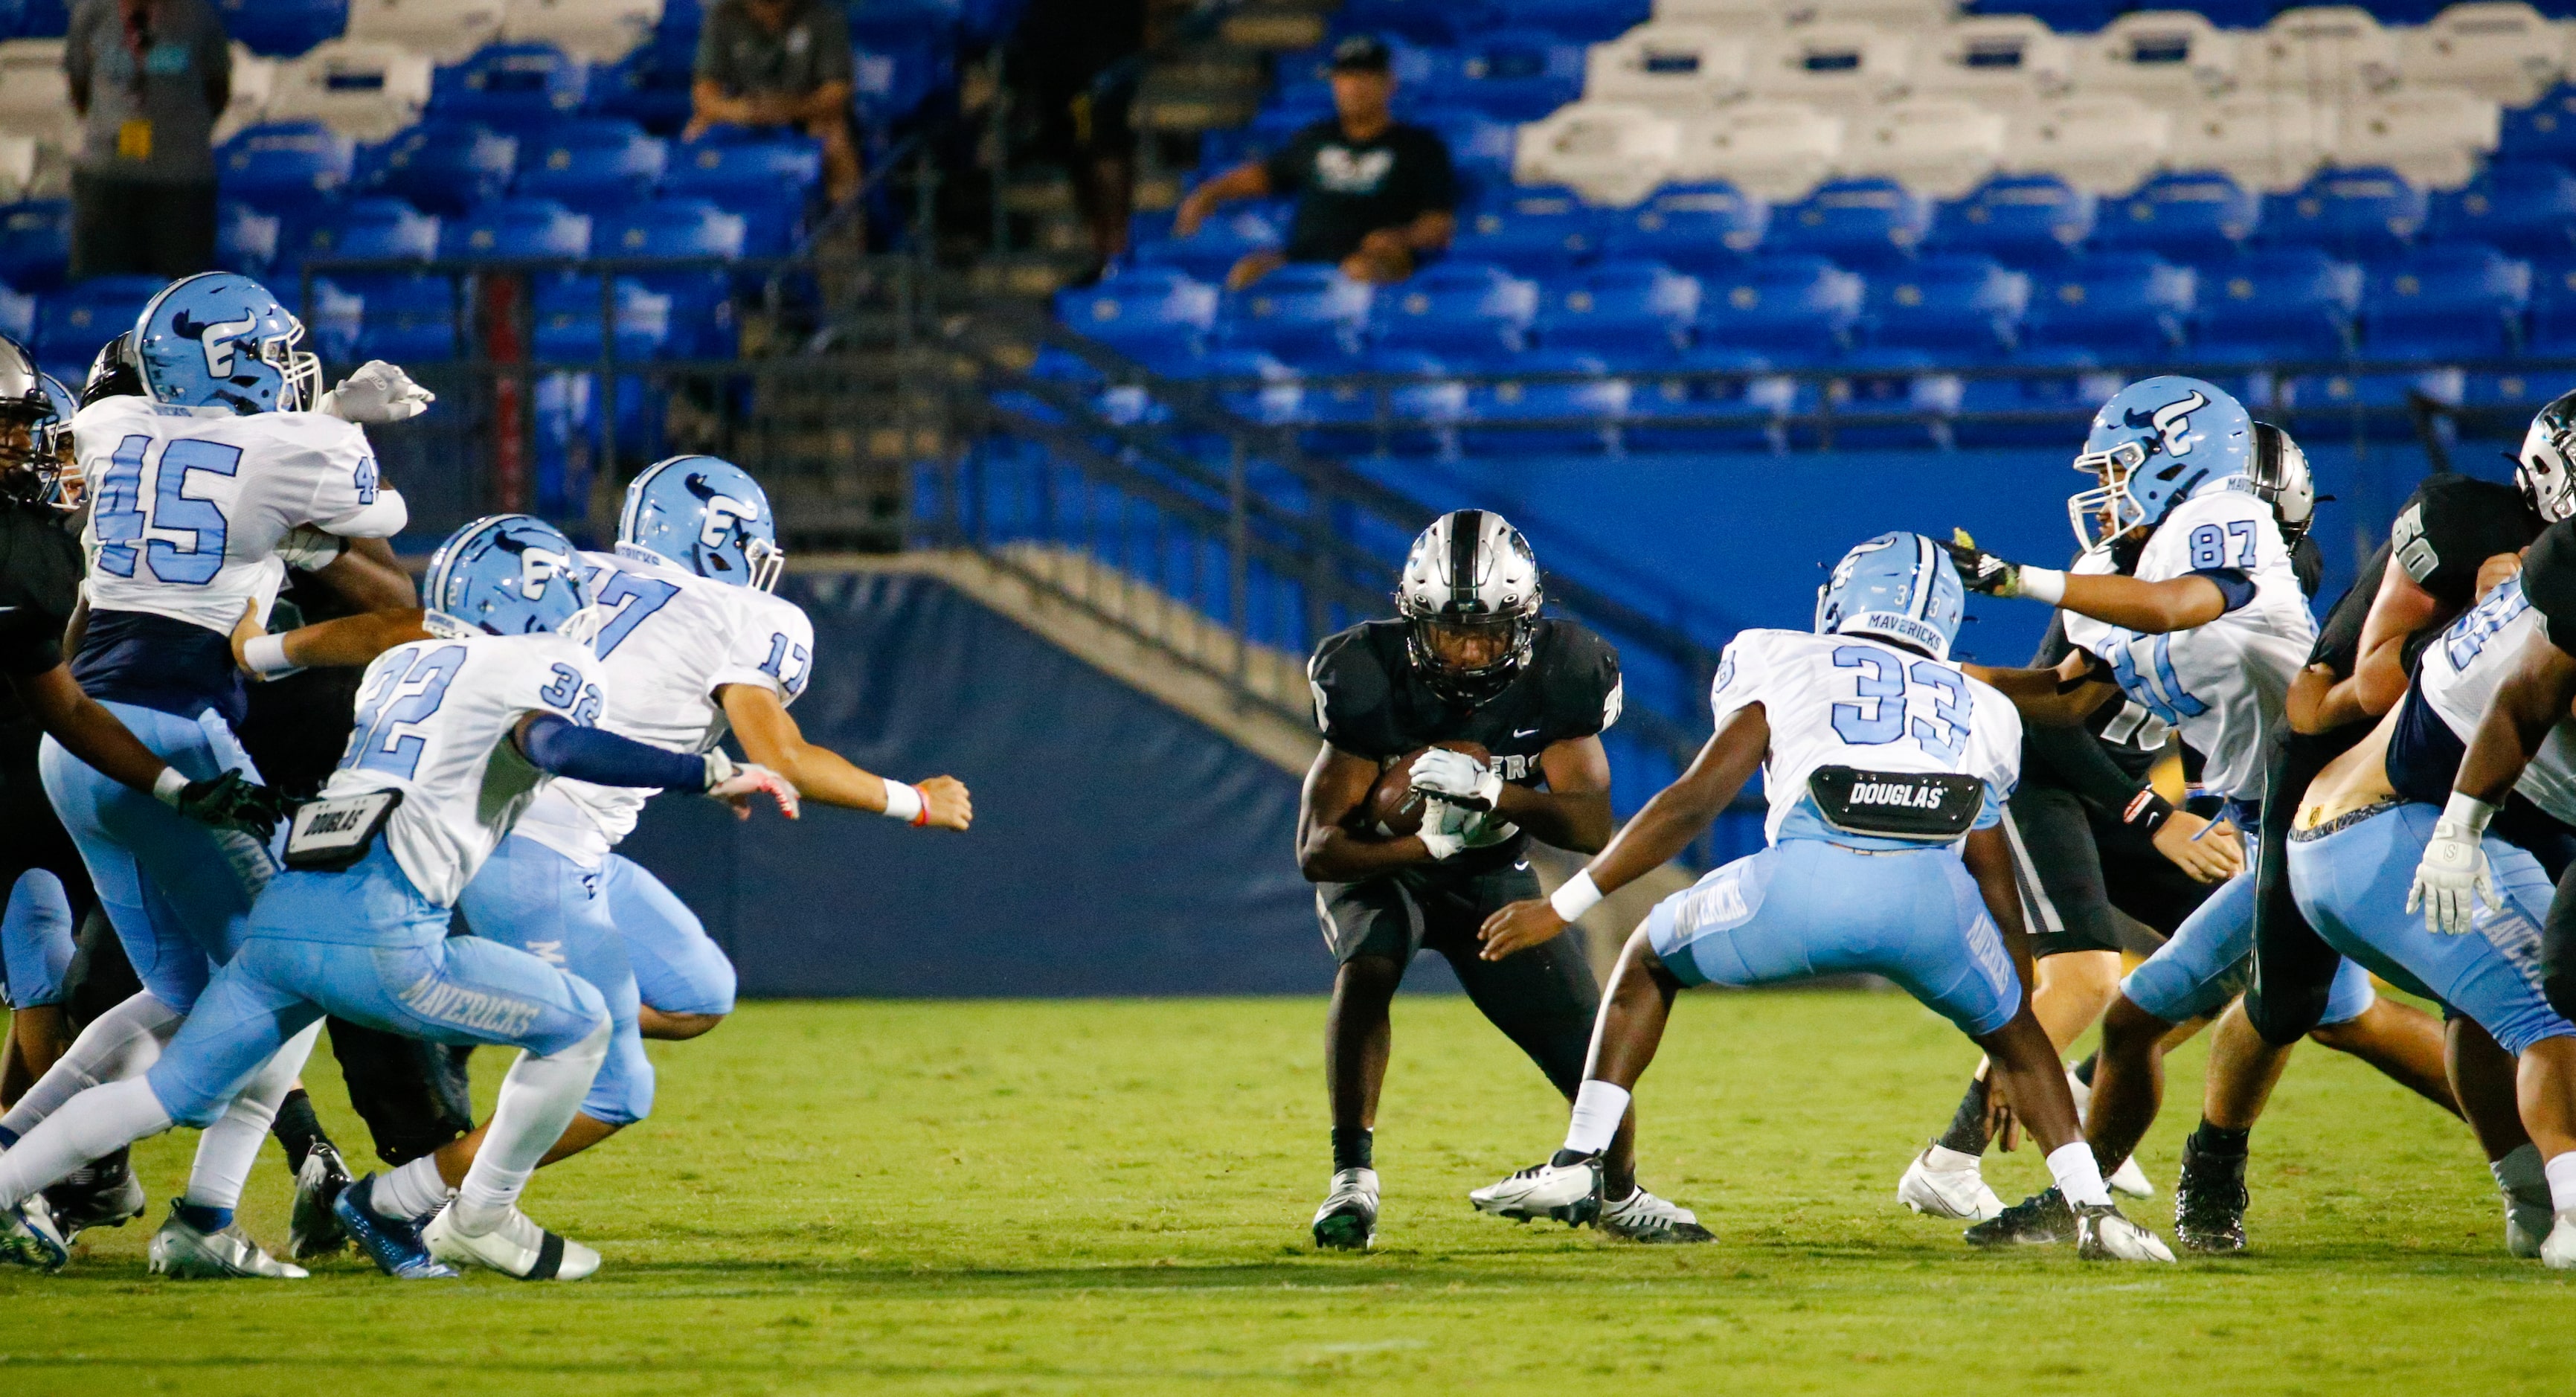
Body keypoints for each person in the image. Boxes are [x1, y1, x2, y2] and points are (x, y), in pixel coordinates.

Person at [0, 515, 800, 1279]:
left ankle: (42, 1194)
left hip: (290, 917)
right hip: (387, 936)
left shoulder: (403, 665)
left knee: (165, 1093)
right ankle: (479, 1217)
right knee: (582, 1024)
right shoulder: (537, 665)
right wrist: (706, 769)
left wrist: (261, 643)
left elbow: (380, 635)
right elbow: (551, 740)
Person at [231, 456, 973, 1272]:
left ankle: (510, 1026)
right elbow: (783, 756)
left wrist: (273, 652)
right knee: (617, 1091)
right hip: (526, 843)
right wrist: (915, 800)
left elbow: (405, 624)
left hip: (541, 841)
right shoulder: (748, 614)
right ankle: (397, 1201)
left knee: (697, 997)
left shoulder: (566, 568)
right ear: (724, 538)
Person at [1467, 532, 2173, 1262]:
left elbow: (1691, 803)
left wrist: (1562, 905)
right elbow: (1994, 875)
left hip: (1803, 888)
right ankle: (2094, 1211)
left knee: (1649, 956)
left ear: (1844, 595)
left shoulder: (1778, 655)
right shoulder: (1982, 704)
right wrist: (2014, 1014)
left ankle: (1581, 1163)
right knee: (2018, 1039)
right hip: (1932, 912)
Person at [1942, 379, 2458, 1253]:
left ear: (2176, 460)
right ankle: (2110, 1197)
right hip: (2275, 828)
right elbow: (2068, 702)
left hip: (2341, 812)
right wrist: (1953, 677)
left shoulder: (2222, 517)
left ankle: (2178, 1187)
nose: (2104, 491)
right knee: (2315, 1015)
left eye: (2118, 469)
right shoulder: (2117, 568)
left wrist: (2018, 579)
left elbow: (2186, 604)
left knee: (2484, 1004)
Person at [5, 274, 429, 1278]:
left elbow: (198, 473)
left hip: (77, 741)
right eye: (271, 354)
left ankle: (19, 1140)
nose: (287, 372)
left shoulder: (107, 426)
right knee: (294, 969)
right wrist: (339, 420)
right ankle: (202, 1215)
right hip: (180, 728)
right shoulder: (295, 446)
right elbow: (384, 521)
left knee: (179, 984)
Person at [1298, 509, 1697, 1249]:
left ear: (1526, 622)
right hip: (1385, 869)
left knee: (1581, 1032)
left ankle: (1618, 1192)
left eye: (1489, 630)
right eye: (1452, 630)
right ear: (1415, 619)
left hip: (1489, 871)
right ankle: (1351, 1179)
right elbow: (1320, 851)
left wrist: (1493, 796)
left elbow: (1587, 827)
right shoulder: (1364, 673)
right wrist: (1422, 849)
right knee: (1370, 961)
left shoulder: (1564, 670)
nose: (1472, 649)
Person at [2294, 547, 2576, 1264]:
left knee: (2485, 1015)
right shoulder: (2552, 618)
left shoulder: (2540, 579)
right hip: (2405, 834)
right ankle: (2572, 1211)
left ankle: (2532, 1202)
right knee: (2554, 1013)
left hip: (2339, 841)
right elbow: (2526, 704)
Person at [1172, 34, 1457, 291]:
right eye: (1345, 77)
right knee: (1248, 271)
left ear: (1389, 85)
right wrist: (1208, 192)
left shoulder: (1421, 147)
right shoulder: (1316, 138)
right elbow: (1267, 175)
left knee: (1356, 272)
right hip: (1306, 256)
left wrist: (1400, 237)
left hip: (1375, 260)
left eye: (1365, 77)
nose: (1353, 87)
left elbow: (1439, 224)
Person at [63, 0, 232, 280]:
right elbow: (79, 82)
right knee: (102, 293)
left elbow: (217, 88)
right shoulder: (91, 12)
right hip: (106, 181)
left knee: (180, 300)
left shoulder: (198, 15)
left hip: (181, 184)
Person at [1006, 0, 1146, 275]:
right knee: (1075, 147)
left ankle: (1116, 249)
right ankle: (1100, 249)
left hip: (1106, 33)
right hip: (1057, 34)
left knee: (1105, 139)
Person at [688, 0, 861, 205]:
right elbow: (704, 92)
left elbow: (837, 92)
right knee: (694, 133)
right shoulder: (723, 15)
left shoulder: (824, 16)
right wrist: (737, 111)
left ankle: (846, 222)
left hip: (806, 113)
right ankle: (702, 216)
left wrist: (787, 109)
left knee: (835, 140)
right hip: (744, 112)